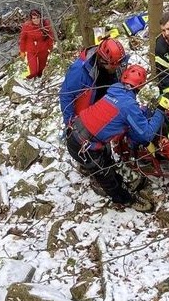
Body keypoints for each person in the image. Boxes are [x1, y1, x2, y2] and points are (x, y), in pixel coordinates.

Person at [66, 63, 160, 208]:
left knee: (107, 163)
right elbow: (145, 135)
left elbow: (124, 114)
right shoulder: (128, 105)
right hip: (84, 145)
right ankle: (123, 199)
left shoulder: (115, 91)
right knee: (105, 176)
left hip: (78, 133)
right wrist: (159, 112)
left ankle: (122, 183)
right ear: (140, 87)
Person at [59, 37, 126, 126]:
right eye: (113, 65)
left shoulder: (115, 65)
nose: (116, 68)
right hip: (84, 117)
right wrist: (70, 122)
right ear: (103, 60)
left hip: (104, 111)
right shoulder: (79, 70)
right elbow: (66, 95)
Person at [17, 8, 55, 79]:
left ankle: (39, 81)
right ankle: (29, 81)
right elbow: (22, 39)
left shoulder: (45, 24)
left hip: (43, 49)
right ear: (31, 19)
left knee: (41, 70)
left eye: (37, 18)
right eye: (34, 18)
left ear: (40, 17)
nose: (36, 20)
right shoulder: (27, 26)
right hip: (31, 51)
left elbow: (50, 37)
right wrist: (22, 51)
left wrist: (51, 47)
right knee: (33, 71)